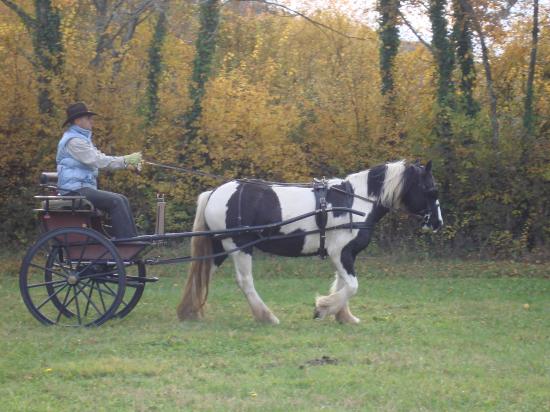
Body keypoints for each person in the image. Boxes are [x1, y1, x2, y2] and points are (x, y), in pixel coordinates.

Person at [57, 102, 142, 239]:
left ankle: (131, 239)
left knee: (122, 199)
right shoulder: (74, 141)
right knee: (116, 202)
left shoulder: (82, 139)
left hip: (81, 188)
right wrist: (125, 160)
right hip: (75, 190)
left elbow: (100, 157)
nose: (92, 121)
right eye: (88, 118)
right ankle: (126, 243)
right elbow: (98, 161)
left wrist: (127, 165)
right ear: (78, 121)